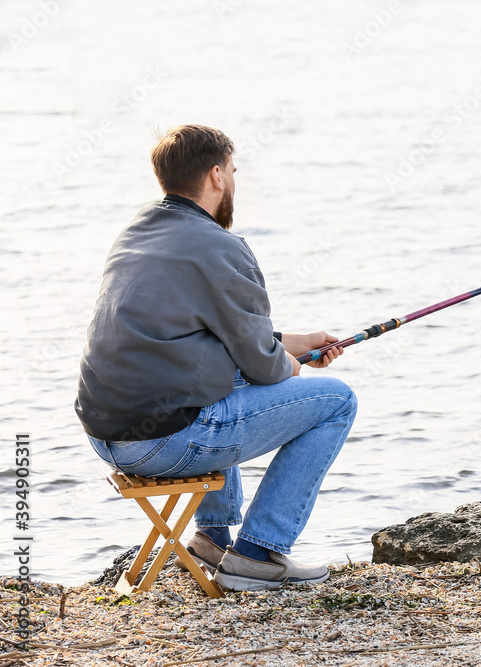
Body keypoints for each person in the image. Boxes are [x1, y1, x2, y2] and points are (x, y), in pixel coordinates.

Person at [76, 124, 358, 592]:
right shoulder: (221, 247)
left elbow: (207, 337)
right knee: (337, 401)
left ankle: (212, 535)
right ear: (216, 176)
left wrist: (291, 340)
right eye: (232, 169)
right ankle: (256, 555)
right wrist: (292, 363)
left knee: (225, 381)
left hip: (105, 436)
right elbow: (264, 367)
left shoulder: (136, 234)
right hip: (161, 445)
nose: (232, 178)